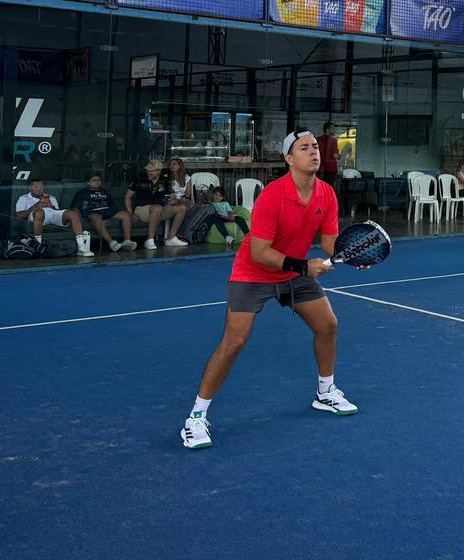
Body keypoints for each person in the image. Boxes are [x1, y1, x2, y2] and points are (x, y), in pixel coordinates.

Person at [180, 130, 353, 450]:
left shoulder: (327, 194)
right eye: (305, 148)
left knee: (328, 325)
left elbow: (330, 244)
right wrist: (304, 267)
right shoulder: (273, 195)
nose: (314, 152)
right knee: (234, 342)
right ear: (289, 159)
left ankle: (325, 392)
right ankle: (195, 418)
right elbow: (260, 252)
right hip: (254, 273)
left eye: (316, 147)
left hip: (294, 273)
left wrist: (348, 254)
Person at [15, 179, 92, 257]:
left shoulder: (50, 197)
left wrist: (51, 206)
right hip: (37, 216)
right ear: (30, 188)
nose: (39, 189)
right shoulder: (23, 198)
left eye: (41, 186)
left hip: (52, 215)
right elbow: (18, 216)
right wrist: (35, 206)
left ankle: (81, 247)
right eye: (36, 186)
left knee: (73, 214)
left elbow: (58, 212)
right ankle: (38, 246)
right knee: (39, 212)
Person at [125, 159, 187, 250]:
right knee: (156, 207)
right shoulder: (139, 179)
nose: (148, 172)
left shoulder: (165, 180)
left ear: (158, 171)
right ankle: (150, 240)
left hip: (160, 209)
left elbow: (172, 196)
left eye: (151, 170)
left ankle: (171, 238)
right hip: (142, 209)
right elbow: (128, 197)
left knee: (182, 208)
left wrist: (173, 201)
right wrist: (130, 212)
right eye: (147, 170)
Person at [71, 173, 136, 252]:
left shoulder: (105, 192)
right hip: (93, 212)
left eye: (99, 180)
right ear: (88, 182)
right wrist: (79, 219)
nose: (97, 182)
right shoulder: (82, 193)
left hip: (106, 210)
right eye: (94, 180)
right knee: (96, 217)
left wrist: (109, 218)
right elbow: (75, 207)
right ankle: (112, 243)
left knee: (125, 214)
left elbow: (112, 206)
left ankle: (127, 241)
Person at [316, 122, 340, 187]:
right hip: (331, 169)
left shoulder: (318, 139)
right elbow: (335, 155)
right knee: (329, 187)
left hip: (320, 168)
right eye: (332, 128)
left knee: (320, 187)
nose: (334, 130)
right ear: (327, 130)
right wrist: (339, 156)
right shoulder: (333, 141)